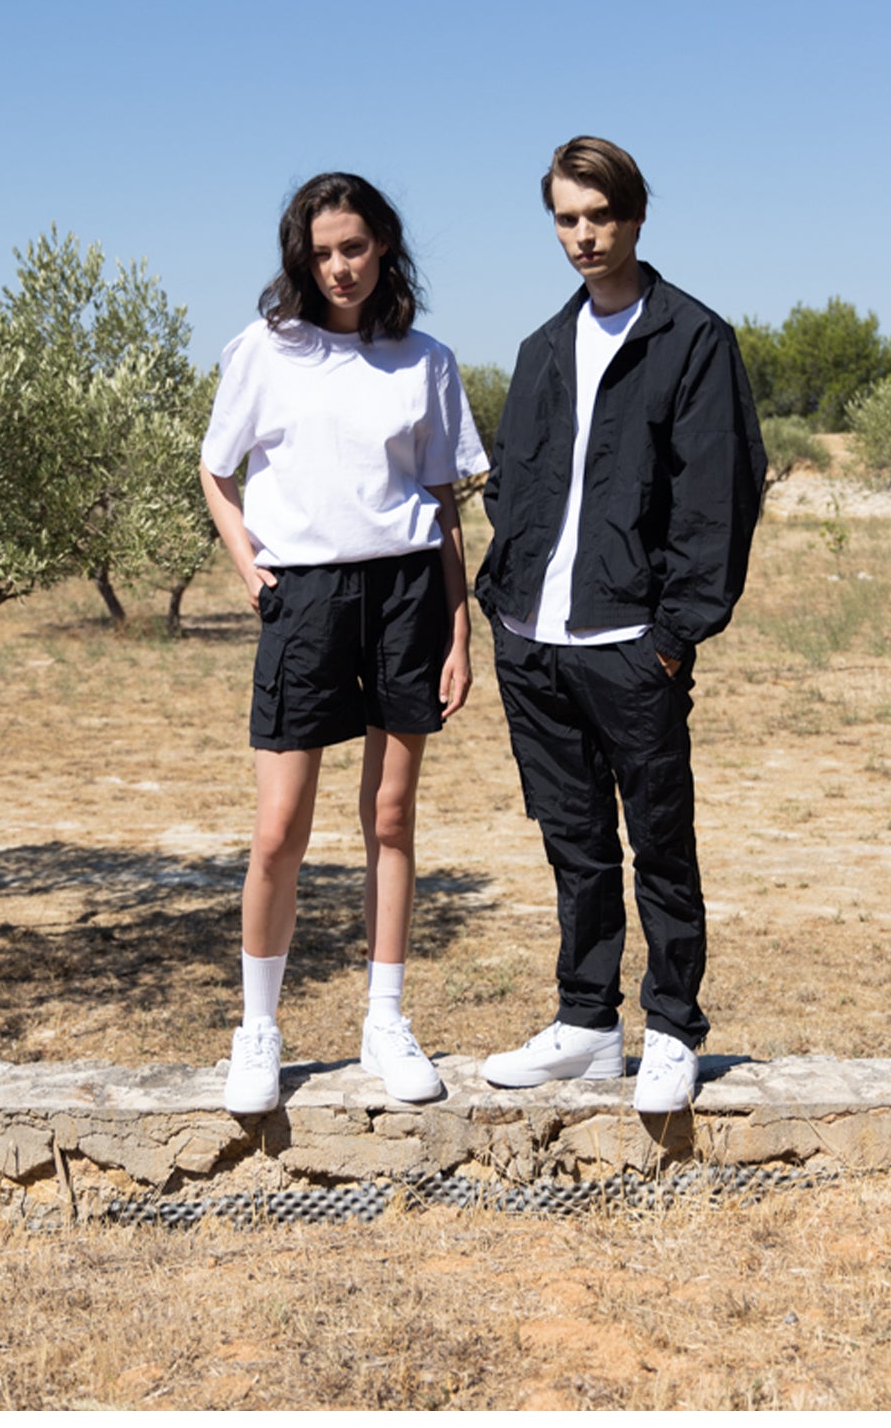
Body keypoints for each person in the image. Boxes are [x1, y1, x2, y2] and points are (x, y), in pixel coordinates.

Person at [474, 136, 765, 1113]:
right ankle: (588, 1023)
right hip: (534, 640)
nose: (583, 236)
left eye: (598, 215)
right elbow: (515, 481)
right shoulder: (540, 348)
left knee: (660, 840)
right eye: (565, 217)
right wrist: (508, 606)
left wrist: (674, 634)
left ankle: (674, 1025)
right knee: (573, 841)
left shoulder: (692, 340)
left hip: (631, 645)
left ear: (634, 215)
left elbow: (717, 503)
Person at [198, 172, 486, 1112]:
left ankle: (386, 1020)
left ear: (383, 247)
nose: (339, 267)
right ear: (301, 257)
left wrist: (459, 627)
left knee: (390, 818)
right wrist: (249, 568)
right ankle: (259, 1031)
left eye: (354, 247)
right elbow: (215, 468)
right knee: (279, 828)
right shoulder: (264, 349)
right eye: (322, 253)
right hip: (304, 599)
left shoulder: (426, 360)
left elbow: (443, 504)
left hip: (405, 589)